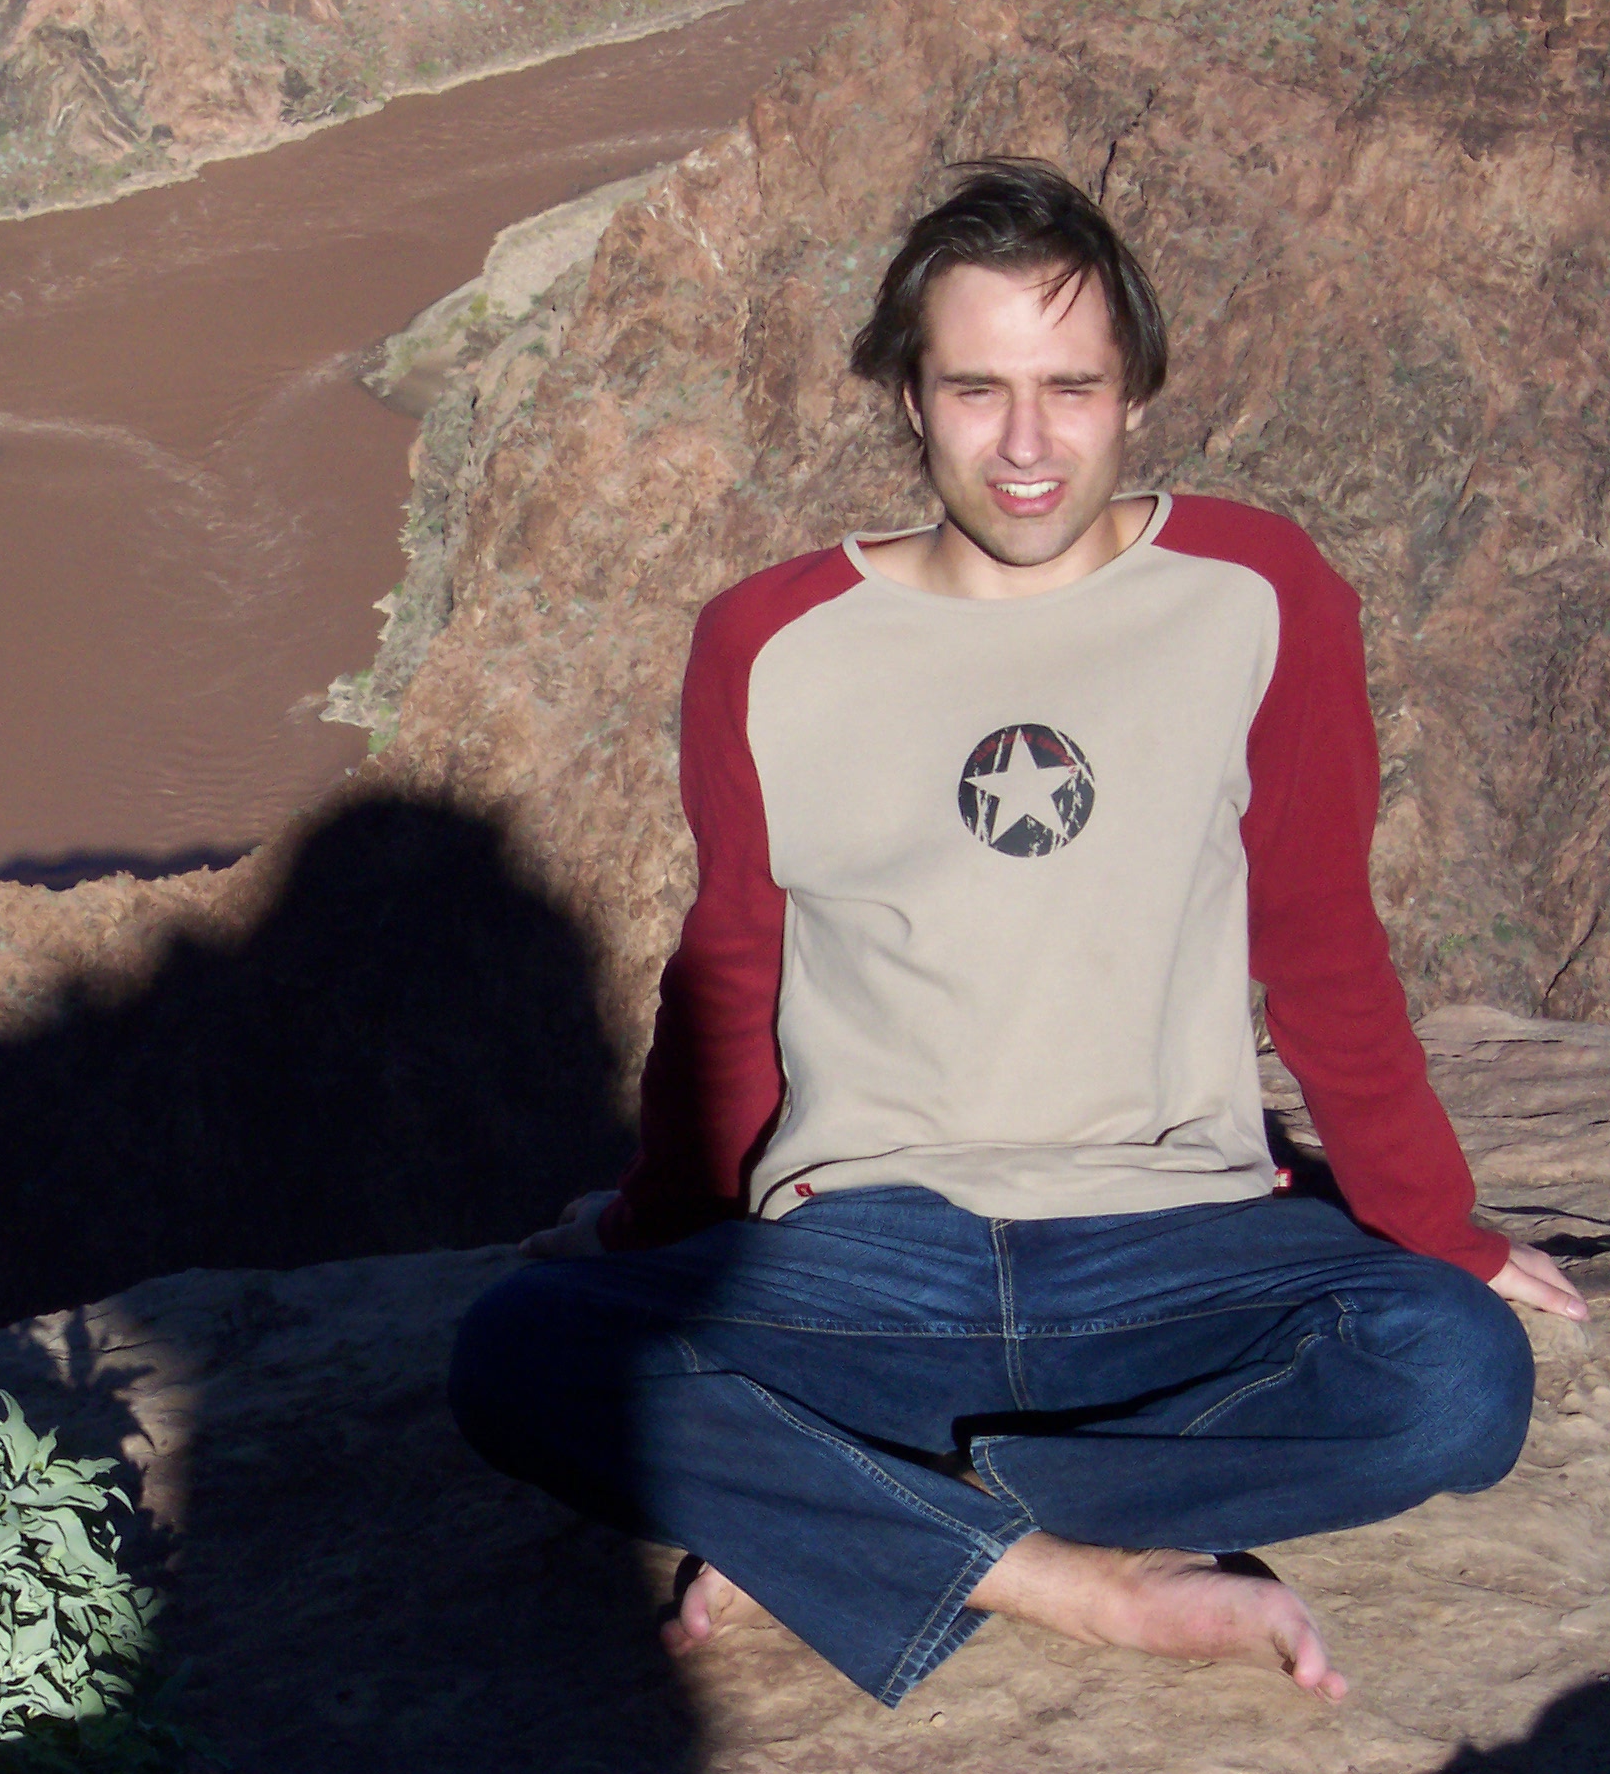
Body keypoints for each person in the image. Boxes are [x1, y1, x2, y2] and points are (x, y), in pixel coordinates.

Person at [446, 158, 1591, 1708]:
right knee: (522, 1352)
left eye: (1073, 388)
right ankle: (1078, 1579)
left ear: (1137, 397)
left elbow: (1321, 935)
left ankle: (844, 1517)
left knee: (1453, 1379)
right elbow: (731, 974)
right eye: (978, 390)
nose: (1030, 444)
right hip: (864, 1255)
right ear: (908, 401)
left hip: (1174, 1237)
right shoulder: (771, 642)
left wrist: (1441, 1230)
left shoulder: (1257, 595)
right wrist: (649, 1224)